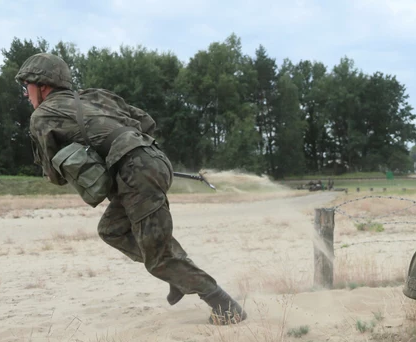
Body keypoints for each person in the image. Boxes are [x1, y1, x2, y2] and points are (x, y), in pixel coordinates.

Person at [15, 53, 246, 324]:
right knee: (111, 230)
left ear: (43, 85)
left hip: (137, 172)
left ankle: (225, 307)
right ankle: (177, 275)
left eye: (26, 86)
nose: (25, 94)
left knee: (157, 258)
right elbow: (146, 122)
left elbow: (55, 176)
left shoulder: (42, 115)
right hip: (152, 160)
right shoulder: (94, 96)